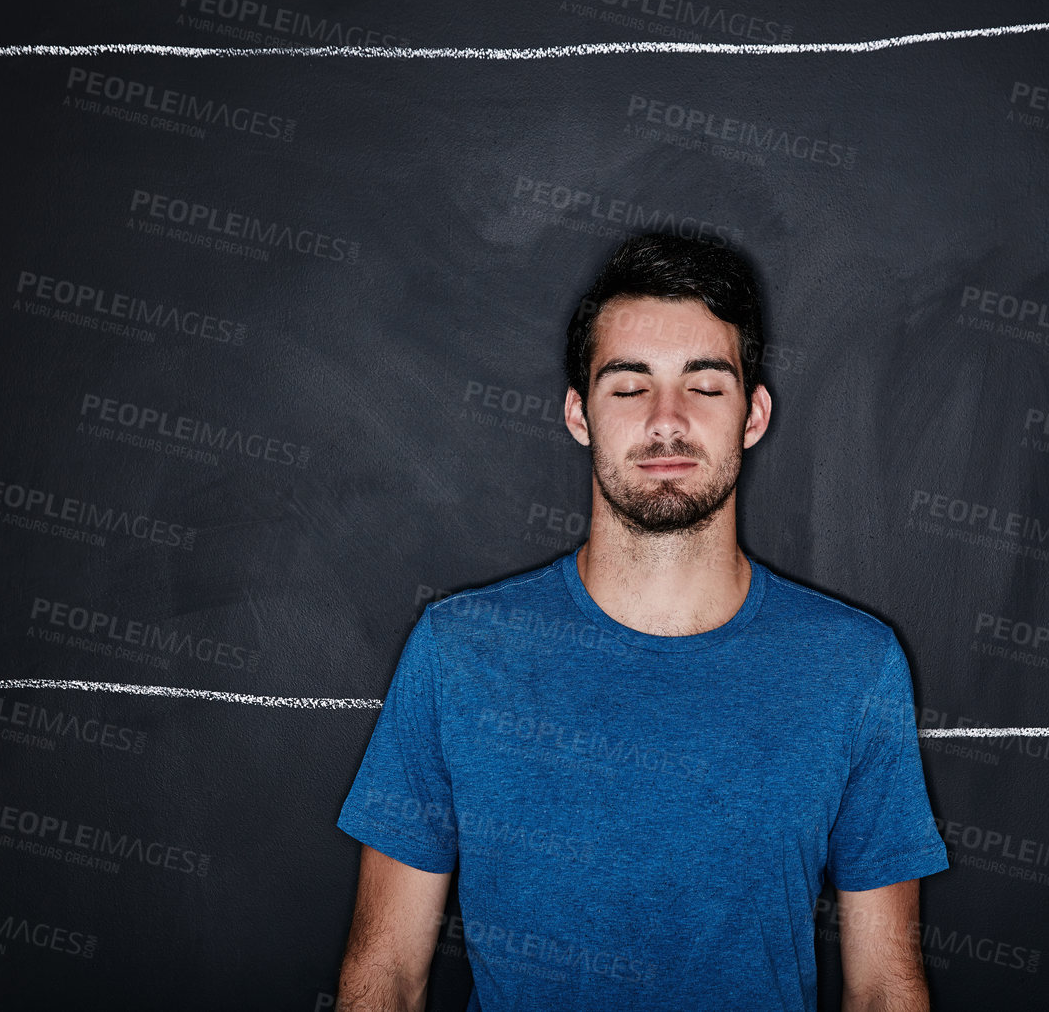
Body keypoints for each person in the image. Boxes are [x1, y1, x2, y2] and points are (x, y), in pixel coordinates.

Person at [334, 234, 947, 1011]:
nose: (666, 420)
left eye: (704, 385)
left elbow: (885, 987)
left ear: (752, 414)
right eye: (628, 388)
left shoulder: (852, 664)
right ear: (578, 414)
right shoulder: (459, 652)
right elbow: (383, 974)